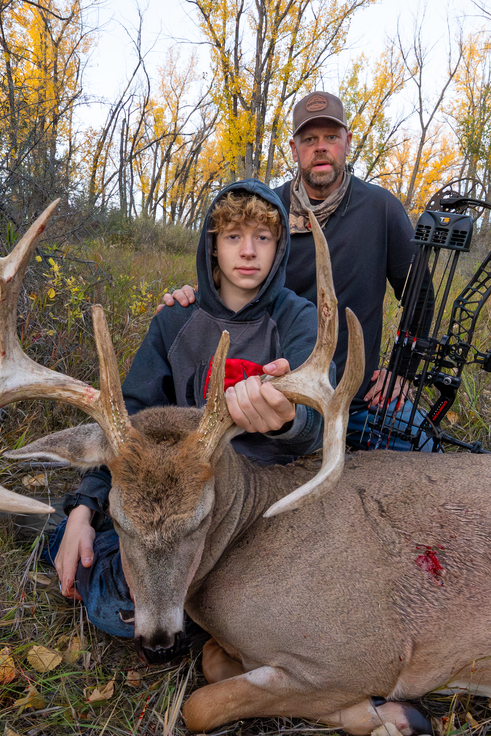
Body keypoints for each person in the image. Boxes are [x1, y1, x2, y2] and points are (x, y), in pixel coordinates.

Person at [47, 179, 326, 639]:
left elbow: (317, 423)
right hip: (174, 499)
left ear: (280, 249)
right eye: (233, 237)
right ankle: (59, 533)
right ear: (212, 246)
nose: (249, 251)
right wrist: (82, 509)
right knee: (117, 594)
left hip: (266, 500)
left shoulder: (299, 319)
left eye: (263, 237)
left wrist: (290, 420)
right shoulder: (176, 318)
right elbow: (125, 425)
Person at [163, 90, 429, 452]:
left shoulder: (381, 209)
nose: (320, 147)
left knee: (425, 447)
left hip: (357, 402)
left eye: (331, 138)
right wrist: (191, 296)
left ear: (347, 143)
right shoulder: (266, 214)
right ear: (294, 148)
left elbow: (420, 297)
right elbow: (227, 286)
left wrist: (403, 369)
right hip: (271, 401)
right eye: (309, 139)